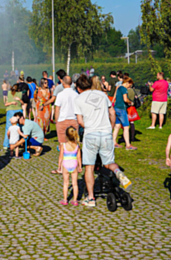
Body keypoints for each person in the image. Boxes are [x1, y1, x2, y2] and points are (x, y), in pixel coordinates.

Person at [73, 75, 132, 207]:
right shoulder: (102, 95)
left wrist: (88, 126)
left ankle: (91, 198)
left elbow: (80, 121)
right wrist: (110, 127)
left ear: (78, 88)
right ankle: (119, 173)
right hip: (105, 133)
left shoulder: (78, 99)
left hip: (91, 134)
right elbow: (112, 113)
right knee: (109, 162)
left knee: (89, 166)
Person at [57, 126, 83, 206]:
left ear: (66, 135)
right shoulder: (77, 146)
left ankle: (65, 199)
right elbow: (79, 157)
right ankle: (75, 200)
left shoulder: (64, 145)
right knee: (75, 184)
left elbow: (61, 157)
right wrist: (80, 166)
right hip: (74, 165)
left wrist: (59, 166)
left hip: (66, 165)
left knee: (65, 183)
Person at [54, 75, 79, 150]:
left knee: (62, 143)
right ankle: (74, 158)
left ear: (63, 83)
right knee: (74, 142)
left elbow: (57, 109)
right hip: (74, 120)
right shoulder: (76, 94)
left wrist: (56, 121)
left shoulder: (60, 95)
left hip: (62, 120)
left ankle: (63, 159)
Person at [112, 77, 137, 150]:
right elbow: (125, 99)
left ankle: (114, 142)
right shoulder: (124, 89)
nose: (129, 87)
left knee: (117, 126)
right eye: (129, 85)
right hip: (122, 109)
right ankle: (128, 145)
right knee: (126, 127)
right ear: (127, 83)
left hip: (116, 108)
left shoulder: (119, 88)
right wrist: (130, 102)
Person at [3, 85, 24, 150]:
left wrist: (11, 102)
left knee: (8, 128)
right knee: (18, 128)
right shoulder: (20, 93)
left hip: (10, 111)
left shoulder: (9, 93)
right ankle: (18, 143)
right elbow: (22, 103)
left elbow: (6, 103)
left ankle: (6, 144)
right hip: (18, 111)